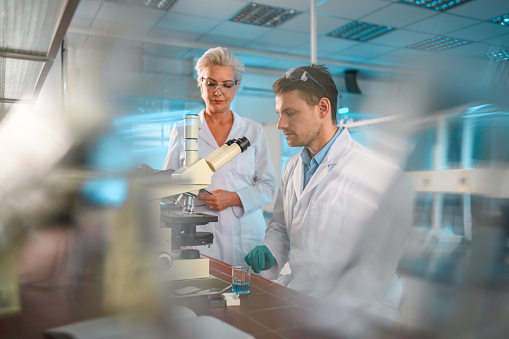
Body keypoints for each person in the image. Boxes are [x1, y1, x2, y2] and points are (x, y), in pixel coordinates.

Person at [244, 64, 414, 333]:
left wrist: (323, 314)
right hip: (303, 301)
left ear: (323, 108)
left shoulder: (373, 173)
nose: (280, 124)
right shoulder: (292, 168)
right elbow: (280, 227)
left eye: (290, 113)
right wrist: (272, 252)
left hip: (358, 317)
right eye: (279, 113)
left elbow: (374, 272)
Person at [162, 47, 277, 265]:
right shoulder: (182, 130)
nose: (218, 92)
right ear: (200, 82)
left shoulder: (253, 131)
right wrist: (194, 194)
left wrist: (233, 198)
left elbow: (268, 185)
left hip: (246, 235)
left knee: (251, 294)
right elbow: (169, 187)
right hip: (199, 234)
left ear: (236, 87)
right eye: (211, 83)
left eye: (226, 85)